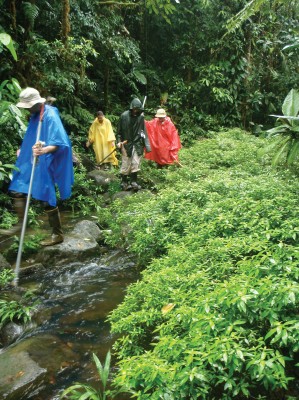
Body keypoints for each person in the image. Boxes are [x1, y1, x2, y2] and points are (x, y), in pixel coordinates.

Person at [0, 87, 74, 246]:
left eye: (28, 106)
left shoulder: (51, 115)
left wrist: (44, 149)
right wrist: (24, 150)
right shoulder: (35, 115)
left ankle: (57, 234)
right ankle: (22, 224)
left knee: (46, 193)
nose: (27, 109)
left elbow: (60, 142)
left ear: (36, 103)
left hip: (46, 159)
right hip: (32, 158)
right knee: (17, 189)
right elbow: (33, 137)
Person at [117, 98, 151, 191]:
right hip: (126, 143)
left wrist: (147, 145)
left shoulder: (141, 118)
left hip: (137, 144)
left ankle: (133, 181)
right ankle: (124, 181)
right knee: (126, 162)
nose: (136, 111)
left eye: (138, 110)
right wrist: (119, 141)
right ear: (131, 108)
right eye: (135, 109)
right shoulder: (124, 116)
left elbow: (143, 132)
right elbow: (119, 132)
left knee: (135, 163)